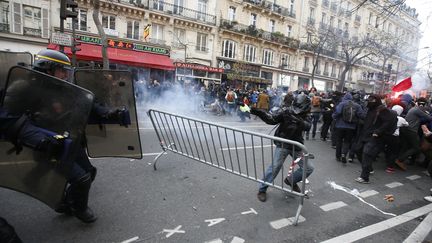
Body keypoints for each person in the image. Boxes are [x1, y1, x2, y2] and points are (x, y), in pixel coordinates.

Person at [32, 49, 97, 223]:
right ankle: (79, 208)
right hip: (51, 146)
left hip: (70, 141)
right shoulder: (27, 91)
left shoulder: (66, 90)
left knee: (89, 172)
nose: (65, 75)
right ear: (47, 69)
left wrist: (110, 114)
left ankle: (66, 202)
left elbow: (86, 107)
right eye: (62, 70)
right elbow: (14, 120)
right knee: (81, 179)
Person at [252, 93, 314, 202]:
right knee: (275, 167)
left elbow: (308, 126)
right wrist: (259, 112)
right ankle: (262, 189)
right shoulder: (287, 111)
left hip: (297, 145)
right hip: (283, 144)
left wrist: (299, 121)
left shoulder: (307, 115)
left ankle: (291, 180)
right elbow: (272, 119)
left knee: (308, 168)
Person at [355, 94, 397, 183]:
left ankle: (365, 177)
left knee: (367, 154)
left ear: (377, 100)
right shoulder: (370, 109)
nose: (370, 101)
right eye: (369, 99)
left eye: (372, 100)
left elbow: (387, 122)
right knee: (358, 150)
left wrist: (378, 131)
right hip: (365, 135)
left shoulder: (382, 110)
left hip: (374, 137)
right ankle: (368, 169)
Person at [332, 92, 366, 163]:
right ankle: (344, 154)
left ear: (344, 97)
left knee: (339, 141)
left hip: (340, 126)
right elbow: (362, 115)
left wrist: (334, 117)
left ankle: (338, 156)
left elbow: (337, 112)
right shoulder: (357, 105)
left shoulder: (341, 104)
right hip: (351, 127)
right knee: (347, 142)